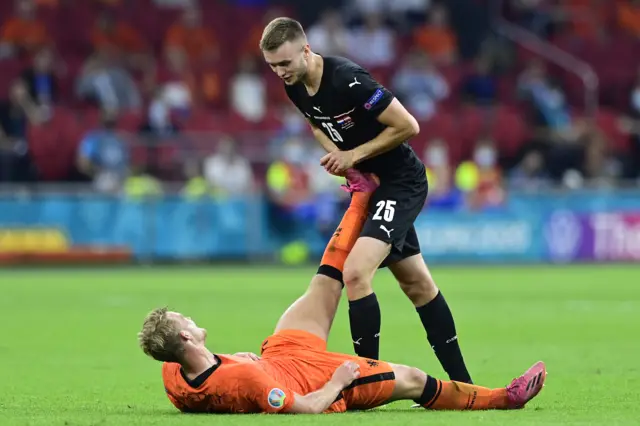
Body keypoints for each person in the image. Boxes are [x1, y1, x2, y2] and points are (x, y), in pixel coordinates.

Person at [138, 172, 546, 414]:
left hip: (279, 355)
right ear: (186, 337)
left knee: (326, 278)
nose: (188, 318)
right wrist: (337, 382)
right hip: (313, 378)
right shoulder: (244, 379)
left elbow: (210, 379)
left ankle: (361, 192)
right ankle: (502, 399)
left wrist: (234, 362)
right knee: (414, 379)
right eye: (183, 321)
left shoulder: (173, 372)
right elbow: (305, 408)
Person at [259, 17, 473, 384]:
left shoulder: (348, 80)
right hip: (373, 187)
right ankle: (466, 386)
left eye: (285, 63)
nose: (280, 72)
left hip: (401, 182)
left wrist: (353, 155)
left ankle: (368, 383)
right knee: (418, 285)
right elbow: (315, 122)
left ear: (306, 51)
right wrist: (339, 158)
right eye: (273, 66)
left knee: (356, 273)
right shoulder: (295, 86)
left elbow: (408, 125)